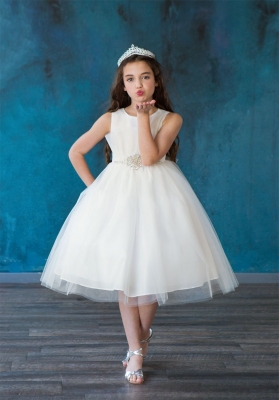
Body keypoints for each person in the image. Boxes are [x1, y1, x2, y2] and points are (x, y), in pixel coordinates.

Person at [40, 44, 239, 385]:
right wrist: (93, 189)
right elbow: (76, 151)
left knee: (149, 279)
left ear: (156, 82)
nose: (138, 84)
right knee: (126, 279)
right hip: (117, 200)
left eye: (145, 77)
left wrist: (145, 117)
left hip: (159, 199)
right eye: (131, 79)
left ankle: (139, 342)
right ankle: (137, 349)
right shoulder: (111, 119)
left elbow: (149, 158)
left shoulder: (170, 118)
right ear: (123, 86)